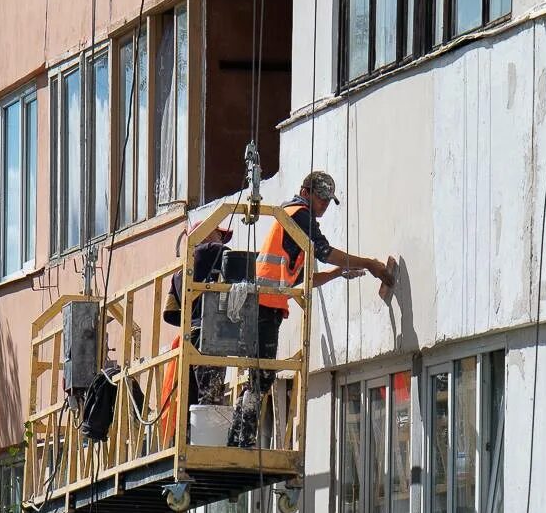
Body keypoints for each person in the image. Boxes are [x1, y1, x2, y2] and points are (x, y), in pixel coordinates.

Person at [228, 170, 394, 448]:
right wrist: (368, 263)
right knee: (263, 374)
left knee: (261, 375)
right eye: (321, 200)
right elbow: (324, 251)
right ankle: (241, 440)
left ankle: (239, 438)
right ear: (306, 193)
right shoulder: (299, 214)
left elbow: (305, 277)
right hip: (263, 305)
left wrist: (338, 273)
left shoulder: (295, 223)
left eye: (328, 202)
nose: (324, 207)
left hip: (266, 305)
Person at [160, 221, 232, 445]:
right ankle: (208, 446)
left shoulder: (180, 272)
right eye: (218, 235)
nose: (221, 241)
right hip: (209, 335)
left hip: (188, 337)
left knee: (190, 395)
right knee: (210, 395)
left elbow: (171, 313)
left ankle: (189, 441)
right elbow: (236, 261)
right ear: (206, 236)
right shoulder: (211, 250)